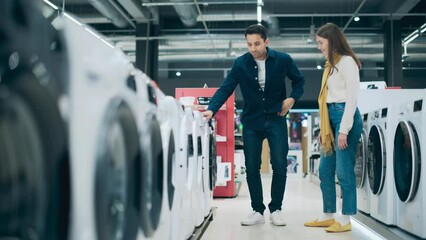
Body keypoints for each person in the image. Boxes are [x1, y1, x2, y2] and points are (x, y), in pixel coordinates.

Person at [203, 24, 305, 226]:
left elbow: (299, 81)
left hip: (276, 118)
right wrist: (211, 109)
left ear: (266, 41)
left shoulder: (282, 60)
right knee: (251, 167)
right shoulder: (240, 63)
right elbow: (226, 88)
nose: (253, 48)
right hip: (251, 121)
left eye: (257, 43)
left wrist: (292, 99)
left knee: (279, 165)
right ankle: (257, 210)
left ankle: (276, 209)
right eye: (249, 44)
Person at [304, 22, 362, 232]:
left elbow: (352, 99)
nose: (319, 46)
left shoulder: (347, 63)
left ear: (332, 40)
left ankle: (346, 219)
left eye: (321, 42)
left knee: (343, 170)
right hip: (331, 119)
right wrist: (322, 129)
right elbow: (326, 100)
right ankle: (328, 214)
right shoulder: (331, 66)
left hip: (345, 117)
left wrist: (344, 129)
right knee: (325, 170)